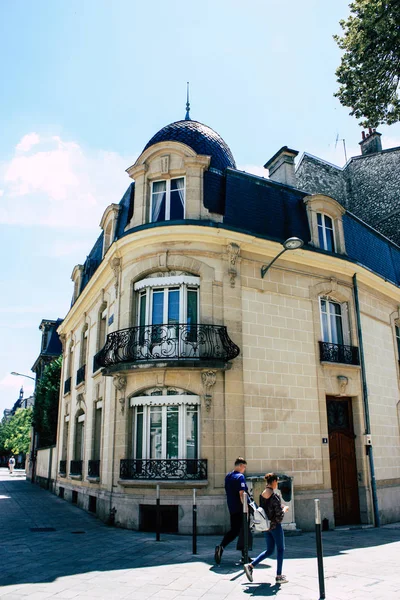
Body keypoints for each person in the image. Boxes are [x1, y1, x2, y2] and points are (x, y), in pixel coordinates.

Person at [243, 472, 289, 584]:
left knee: (269, 550)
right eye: (276, 482)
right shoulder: (274, 496)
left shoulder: (262, 494)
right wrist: (284, 509)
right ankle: (279, 576)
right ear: (273, 482)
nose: (276, 484)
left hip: (265, 527)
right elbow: (279, 516)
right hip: (274, 526)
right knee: (280, 549)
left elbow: (266, 509)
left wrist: (278, 507)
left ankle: (251, 566)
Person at [215, 457, 252, 565]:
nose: (244, 469)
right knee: (244, 531)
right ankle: (244, 556)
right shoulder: (240, 477)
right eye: (244, 467)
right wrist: (246, 509)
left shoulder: (228, 476)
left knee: (235, 530)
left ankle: (222, 547)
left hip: (232, 508)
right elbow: (242, 494)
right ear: (240, 466)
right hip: (241, 508)